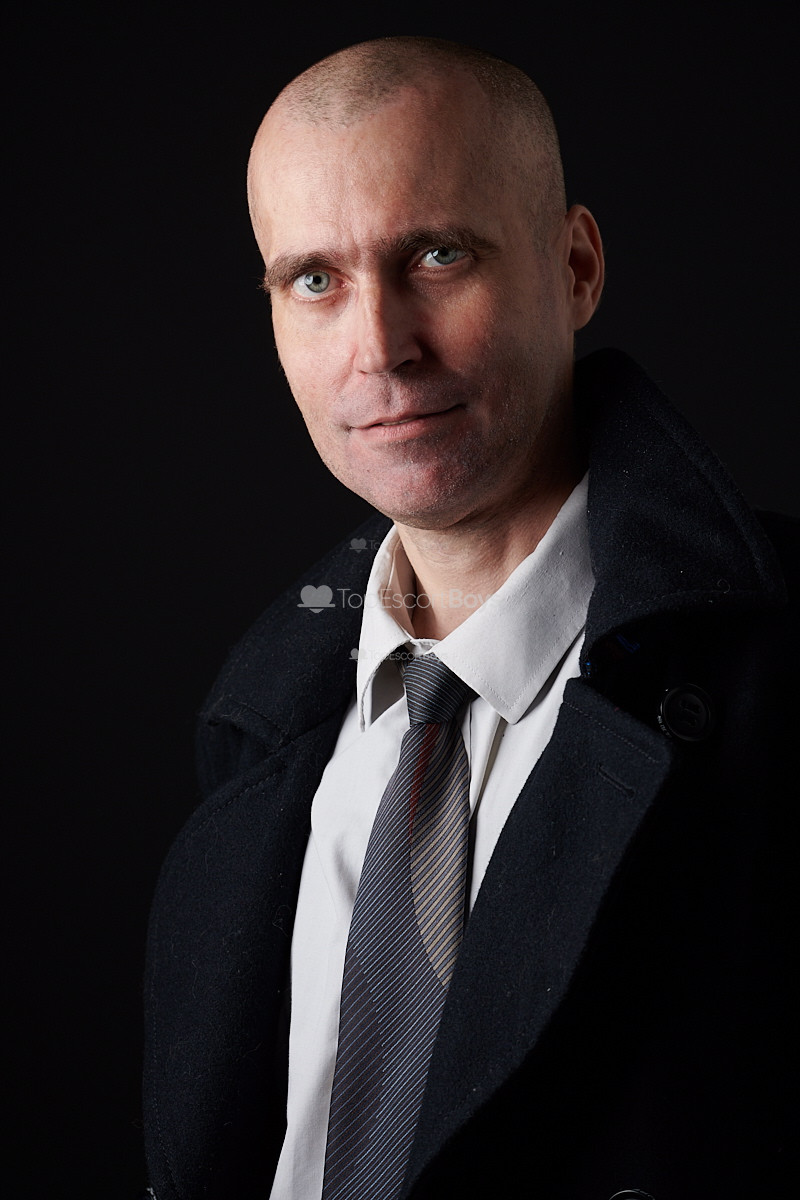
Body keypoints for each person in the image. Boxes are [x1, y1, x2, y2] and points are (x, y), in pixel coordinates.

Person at [142, 36, 795, 1200]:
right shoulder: (258, 739)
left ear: (575, 266)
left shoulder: (775, 674)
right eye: (313, 280)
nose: (380, 350)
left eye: (436, 256)